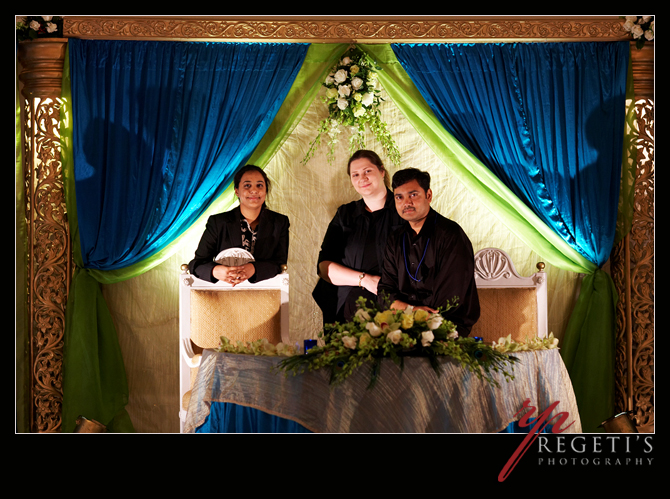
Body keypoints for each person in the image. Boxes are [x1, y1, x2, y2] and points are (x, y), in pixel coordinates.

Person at [377, 168, 480, 336]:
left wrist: (407, 311)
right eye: (399, 197)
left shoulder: (451, 235)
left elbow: (449, 301)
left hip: (445, 328)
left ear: (428, 195)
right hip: (402, 326)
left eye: (413, 195)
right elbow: (384, 293)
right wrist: (412, 311)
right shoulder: (395, 239)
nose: (406, 203)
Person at [313, 150, 404, 324]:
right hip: (348, 310)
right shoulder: (344, 214)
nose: (362, 178)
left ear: (382, 171)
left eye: (367, 171)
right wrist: (365, 280)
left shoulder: (403, 209)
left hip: (397, 307)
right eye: (355, 174)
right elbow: (324, 267)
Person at [188, 165, 289, 285]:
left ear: (266, 190)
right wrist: (215, 271)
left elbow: (280, 264)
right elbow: (196, 264)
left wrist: (254, 269)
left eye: (259, 185)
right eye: (247, 185)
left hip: (266, 293)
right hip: (224, 294)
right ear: (237, 191)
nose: (254, 190)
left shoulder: (280, 222)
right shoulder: (218, 222)